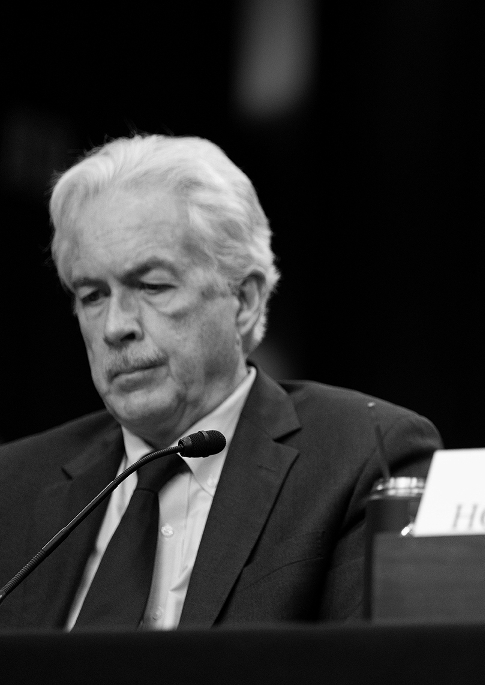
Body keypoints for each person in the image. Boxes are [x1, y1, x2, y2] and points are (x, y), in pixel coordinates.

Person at [0, 135, 441, 630]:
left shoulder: (362, 457)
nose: (114, 326)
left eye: (152, 286)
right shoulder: (13, 487)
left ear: (245, 300)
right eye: (93, 294)